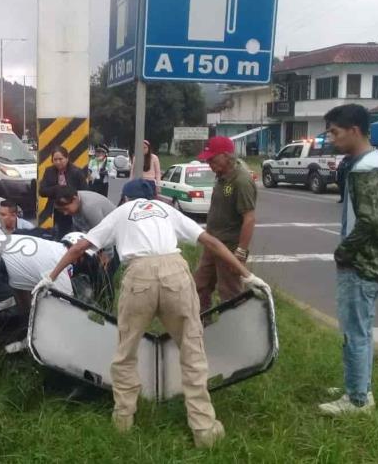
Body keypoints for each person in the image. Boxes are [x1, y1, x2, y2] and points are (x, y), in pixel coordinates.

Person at [36, 178, 267, 448]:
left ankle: (123, 419)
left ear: (126, 198)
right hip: (175, 274)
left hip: (139, 277)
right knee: (192, 352)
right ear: (152, 196)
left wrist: (50, 278)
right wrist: (248, 276)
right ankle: (204, 429)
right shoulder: (166, 209)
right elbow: (212, 243)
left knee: (126, 352)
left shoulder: (121, 213)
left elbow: (79, 248)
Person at [318, 104, 378, 416]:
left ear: (354, 130)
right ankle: (357, 385)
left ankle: (357, 400)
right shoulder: (375, 162)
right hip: (375, 260)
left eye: (335, 132)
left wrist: (343, 252)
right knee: (360, 329)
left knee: (355, 331)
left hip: (363, 264)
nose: (332, 138)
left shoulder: (367, 169)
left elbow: (370, 222)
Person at [193, 136, 257, 312]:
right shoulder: (221, 176)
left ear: (225, 156)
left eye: (212, 158)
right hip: (212, 243)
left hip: (229, 247)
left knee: (229, 293)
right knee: (199, 285)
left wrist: (240, 253)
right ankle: (201, 323)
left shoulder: (241, 180)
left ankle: (233, 330)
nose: (209, 163)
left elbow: (249, 218)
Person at [39, 146, 88, 238]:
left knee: (74, 233)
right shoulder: (49, 171)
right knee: (59, 234)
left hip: (74, 209)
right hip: (57, 208)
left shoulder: (76, 172)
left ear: (67, 158)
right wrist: (57, 189)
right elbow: (42, 191)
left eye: (60, 159)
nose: (58, 162)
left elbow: (85, 191)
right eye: (55, 159)